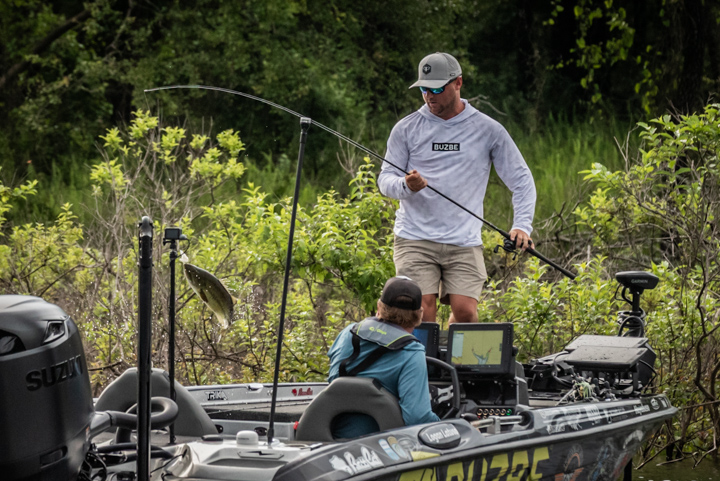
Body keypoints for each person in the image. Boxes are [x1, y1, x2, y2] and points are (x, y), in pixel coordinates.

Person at [377, 52, 536, 324]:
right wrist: (406, 185)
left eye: (437, 89)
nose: (430, 96)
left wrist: (522, 225)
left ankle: (453, 352)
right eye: (424, 89)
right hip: (415, 237)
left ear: (458, 83)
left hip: (464, 239)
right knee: (422, 312)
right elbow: (385, 180)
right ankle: (425, 354)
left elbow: (522, 179)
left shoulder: (488, 129)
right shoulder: (406, 129)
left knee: (466, 313)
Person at [327, 276, 440, 438]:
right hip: (376, 444)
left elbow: (332, 374)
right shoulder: (412, 352)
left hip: (328, 436)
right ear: (419, 315)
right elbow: (417, 417)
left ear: (379, 307)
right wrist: (448, 426)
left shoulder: (349, 332)